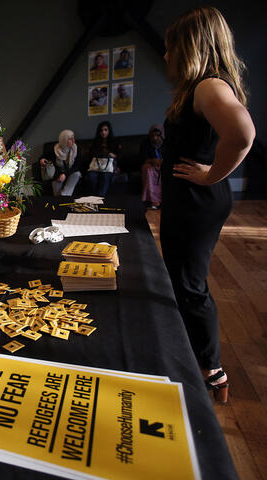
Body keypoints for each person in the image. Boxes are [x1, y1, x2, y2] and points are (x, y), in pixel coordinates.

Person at [161, 6, 255, 402]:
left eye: (171, 48)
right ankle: (189, 352)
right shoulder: (203, 86)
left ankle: (211, 370)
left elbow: (242, 132)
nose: (166, 56)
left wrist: (212, 174)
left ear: (191, 46)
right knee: (183, 278)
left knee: (190, 284)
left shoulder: (207, 86)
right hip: (191, 198)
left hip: (196, 200)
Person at [39, 130, 83, 197]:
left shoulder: (76, 149)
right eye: (70, 139)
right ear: (64, 140)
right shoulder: (54, 149)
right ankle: (58, 198)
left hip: (70, 172)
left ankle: (64, 195)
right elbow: (43, 157)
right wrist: (42, 160)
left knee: (77, 174)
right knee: (56, 182)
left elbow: (76, 166)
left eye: (74, 138)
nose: (73, 141)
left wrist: (65, 174)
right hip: (58, 173)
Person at [87, 121, 120, 197]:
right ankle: (94, 197)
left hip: (109, 167)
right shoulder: (95, 142)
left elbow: (120, 155)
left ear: (109, 131)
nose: (103, 132)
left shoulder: (114, 142)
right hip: (96, 167)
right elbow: (90, 155)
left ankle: (100, 197)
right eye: (101, 130)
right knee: (92, 176)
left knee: (105, 176)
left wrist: (114, 155)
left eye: (105, 130)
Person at [140, 124, 164, 209]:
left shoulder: (166, 143)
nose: (155, 138)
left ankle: (163, 200)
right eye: (153, 136)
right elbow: (144, 159)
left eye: (157, 135)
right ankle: (152, 201)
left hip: (162, 165)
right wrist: (153, 161)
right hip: (150, 164)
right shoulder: (145, 143)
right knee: (149, 170)